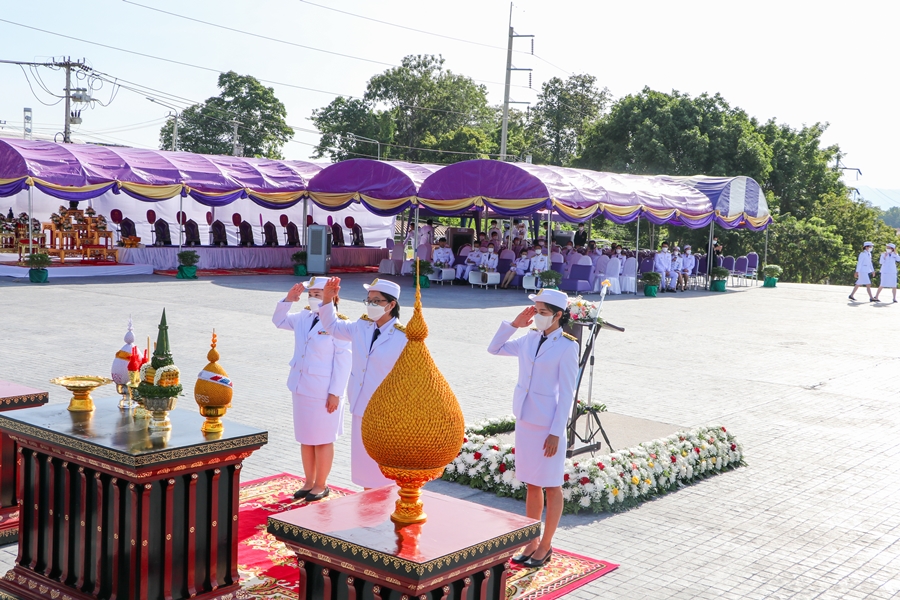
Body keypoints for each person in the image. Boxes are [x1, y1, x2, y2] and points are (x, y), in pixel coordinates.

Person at [488, 289, 578, 569]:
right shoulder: (527, 338)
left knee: (551, 485)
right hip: (526, 419)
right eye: (535, 310)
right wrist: (514, 324)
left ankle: (547, 544)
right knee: (531, 482)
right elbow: (495, 348)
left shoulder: (566, 346)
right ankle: (531, 541)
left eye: (541, 311)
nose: (536, 315)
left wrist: (556, 431)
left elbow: (567, 394)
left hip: (548, 425)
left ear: (558, 315)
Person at [318, 278, 407, 489]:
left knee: (383, 465)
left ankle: (384, 507)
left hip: (386, 409)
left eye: (376, 301)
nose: (370, 305)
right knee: (363, 460)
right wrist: (328, 300)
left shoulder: (404, 337)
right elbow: (332, 326)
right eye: (368, 300)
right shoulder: (362, 326)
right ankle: (367, 503)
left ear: (391, 305)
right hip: (359, 403)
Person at [273, 277, 352, 501]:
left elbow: (343, 362)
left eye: (320, 293)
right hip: (301, 386)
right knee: (306, 438)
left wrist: (335, 393)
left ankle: (321, 484)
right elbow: (278, 321)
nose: (314, 297)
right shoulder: (303, 317)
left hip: (324, 390)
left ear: (332, 295)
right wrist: (288, 300)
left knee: (323, 438)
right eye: (312, 293)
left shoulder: (339, 324)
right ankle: (308, 481)